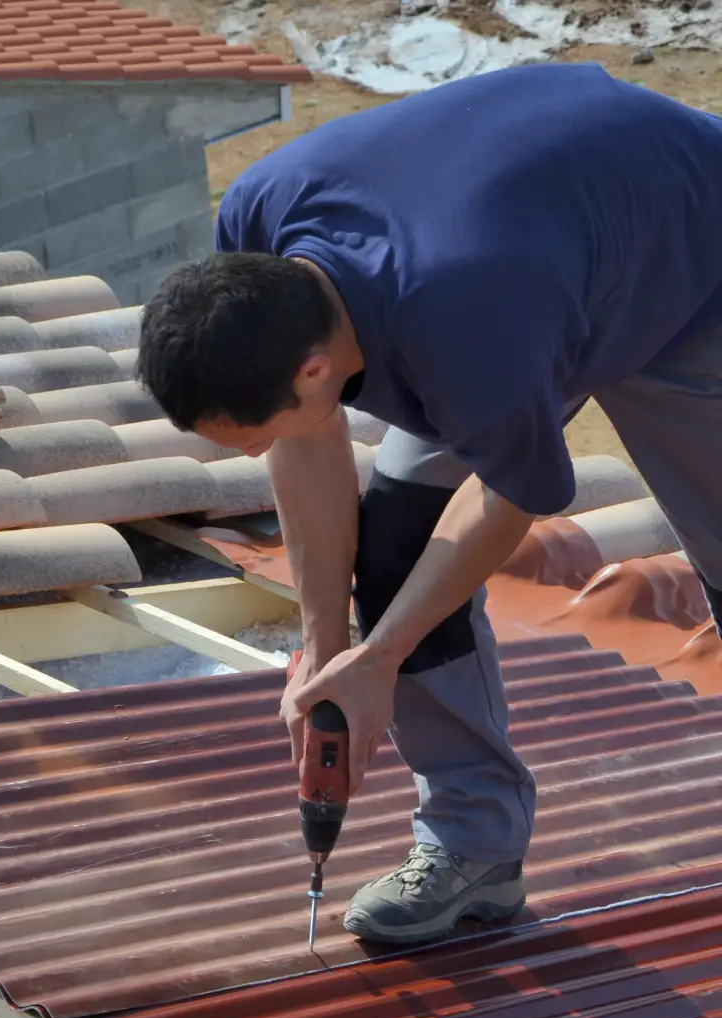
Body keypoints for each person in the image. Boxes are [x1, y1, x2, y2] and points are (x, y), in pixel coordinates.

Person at [136, 61, 722, 946]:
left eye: (255, 436)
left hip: (696, 267)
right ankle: (474, 847)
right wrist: (328, 650)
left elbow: (509, 494)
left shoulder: (468, 320)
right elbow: (307, 444)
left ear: (313, 368)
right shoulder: (256, 231)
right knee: (399, 546)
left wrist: (384, 656)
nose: (259, 455)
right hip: (544, 250)